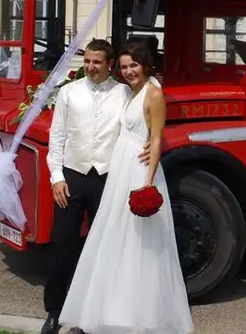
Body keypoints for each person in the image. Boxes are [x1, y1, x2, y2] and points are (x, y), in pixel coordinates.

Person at [58, 41, 193, 334]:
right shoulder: (130, 93)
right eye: (124, 66)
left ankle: (138, 316)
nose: (129, 71)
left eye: (134, 65)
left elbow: (156, 138)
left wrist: (147, 181)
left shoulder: (153, 94)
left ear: (145, 65)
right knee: (114, 239)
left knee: (137, 243)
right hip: (119, 168)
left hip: (136, 171)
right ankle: (110, 308)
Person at [41, 38, 151, 334]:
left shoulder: (124, 93)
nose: (90, 67)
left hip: (108, 178)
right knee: (62, 244)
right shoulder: (68, 93)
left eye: (97, 62)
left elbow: (142, 118)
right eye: (87, 61)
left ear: (109, 64)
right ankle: (54, 311)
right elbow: (57, 137)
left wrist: (152, 143)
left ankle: (96, 314)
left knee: (103, 249)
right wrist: (56, 177)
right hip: (72, 178)